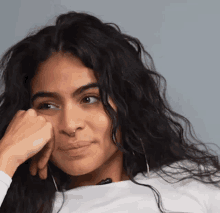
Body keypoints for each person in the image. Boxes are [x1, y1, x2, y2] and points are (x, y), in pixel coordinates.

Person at [0, 11, 219, 213]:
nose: (69, 125)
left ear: (127, 102)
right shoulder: (27, 208)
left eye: (89, 99)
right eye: (48, 105)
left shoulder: (191, 185)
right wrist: (7, 155)